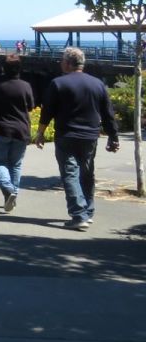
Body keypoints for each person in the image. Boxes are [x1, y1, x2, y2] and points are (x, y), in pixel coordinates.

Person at [34, 46, 120, 230]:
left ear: (67, 63)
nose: (60, 63)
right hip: (90, 136)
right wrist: (113, 136)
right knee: (87, 174)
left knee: (70, 174)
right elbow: (108, 113)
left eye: (62, 60)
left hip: (66, 135)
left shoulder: (58, 83)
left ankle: (79, 215)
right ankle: (88, 212)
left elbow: (47, 112)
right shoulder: (97, 84)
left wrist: (40, 133)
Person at [0, 54, 33, 212]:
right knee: (16, 164)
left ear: (3, 68)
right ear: (19, 68)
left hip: (0, 128)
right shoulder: (25, 86)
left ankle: (8, 189)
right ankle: (12, 195)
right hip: (21, 129)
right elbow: (30, 106)